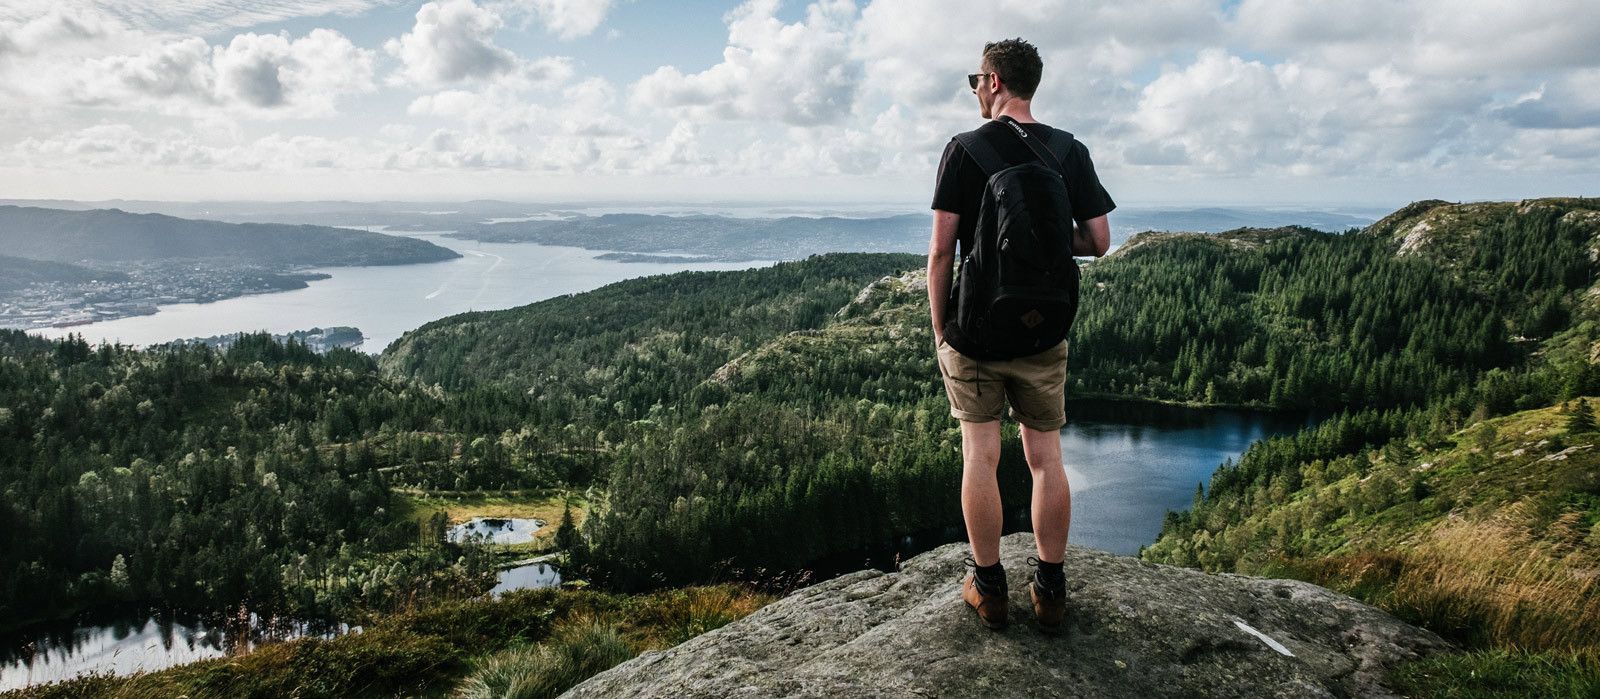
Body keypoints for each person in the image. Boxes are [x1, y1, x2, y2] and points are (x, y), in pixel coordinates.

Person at [928, 37, 1115, 630]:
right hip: (1043, 332)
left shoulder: (964, 149)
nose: (976, 91)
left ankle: (988, 587)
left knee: (981, 456)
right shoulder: (1069, 151)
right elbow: (1098, 242)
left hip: (977, 333)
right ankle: (1051, 590)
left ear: (993, 82)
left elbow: (940, 252)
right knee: (1045, 458)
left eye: (975, 81)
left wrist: (941, 331)